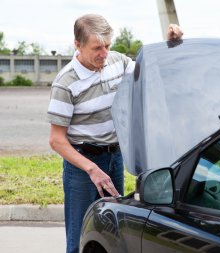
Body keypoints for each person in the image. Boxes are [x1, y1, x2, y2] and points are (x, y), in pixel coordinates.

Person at [46, 14, 183, 253]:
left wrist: (169, 43)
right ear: (77, 45)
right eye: (97, 47)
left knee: (111, 230)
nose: (104, 53)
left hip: (114, 158)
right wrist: (92, 169)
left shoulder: (117, 62)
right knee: (79, 237)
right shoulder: (65, 83)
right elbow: (56, 140)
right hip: (82, 167)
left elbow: (152, 71)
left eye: (107, 46)